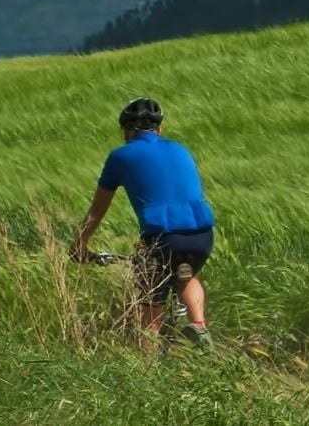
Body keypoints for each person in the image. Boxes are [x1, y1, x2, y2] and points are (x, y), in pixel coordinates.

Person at [73, 98, 217, 347]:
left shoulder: (120, 156)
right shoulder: (180, 149)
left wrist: (80, 242)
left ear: (125, 130)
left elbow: (98, 209)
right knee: (185, 276)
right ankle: (199, 326)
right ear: (159, 129)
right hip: (202, 236)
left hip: (162, 238)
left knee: (151, 303)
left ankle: (147, 368)